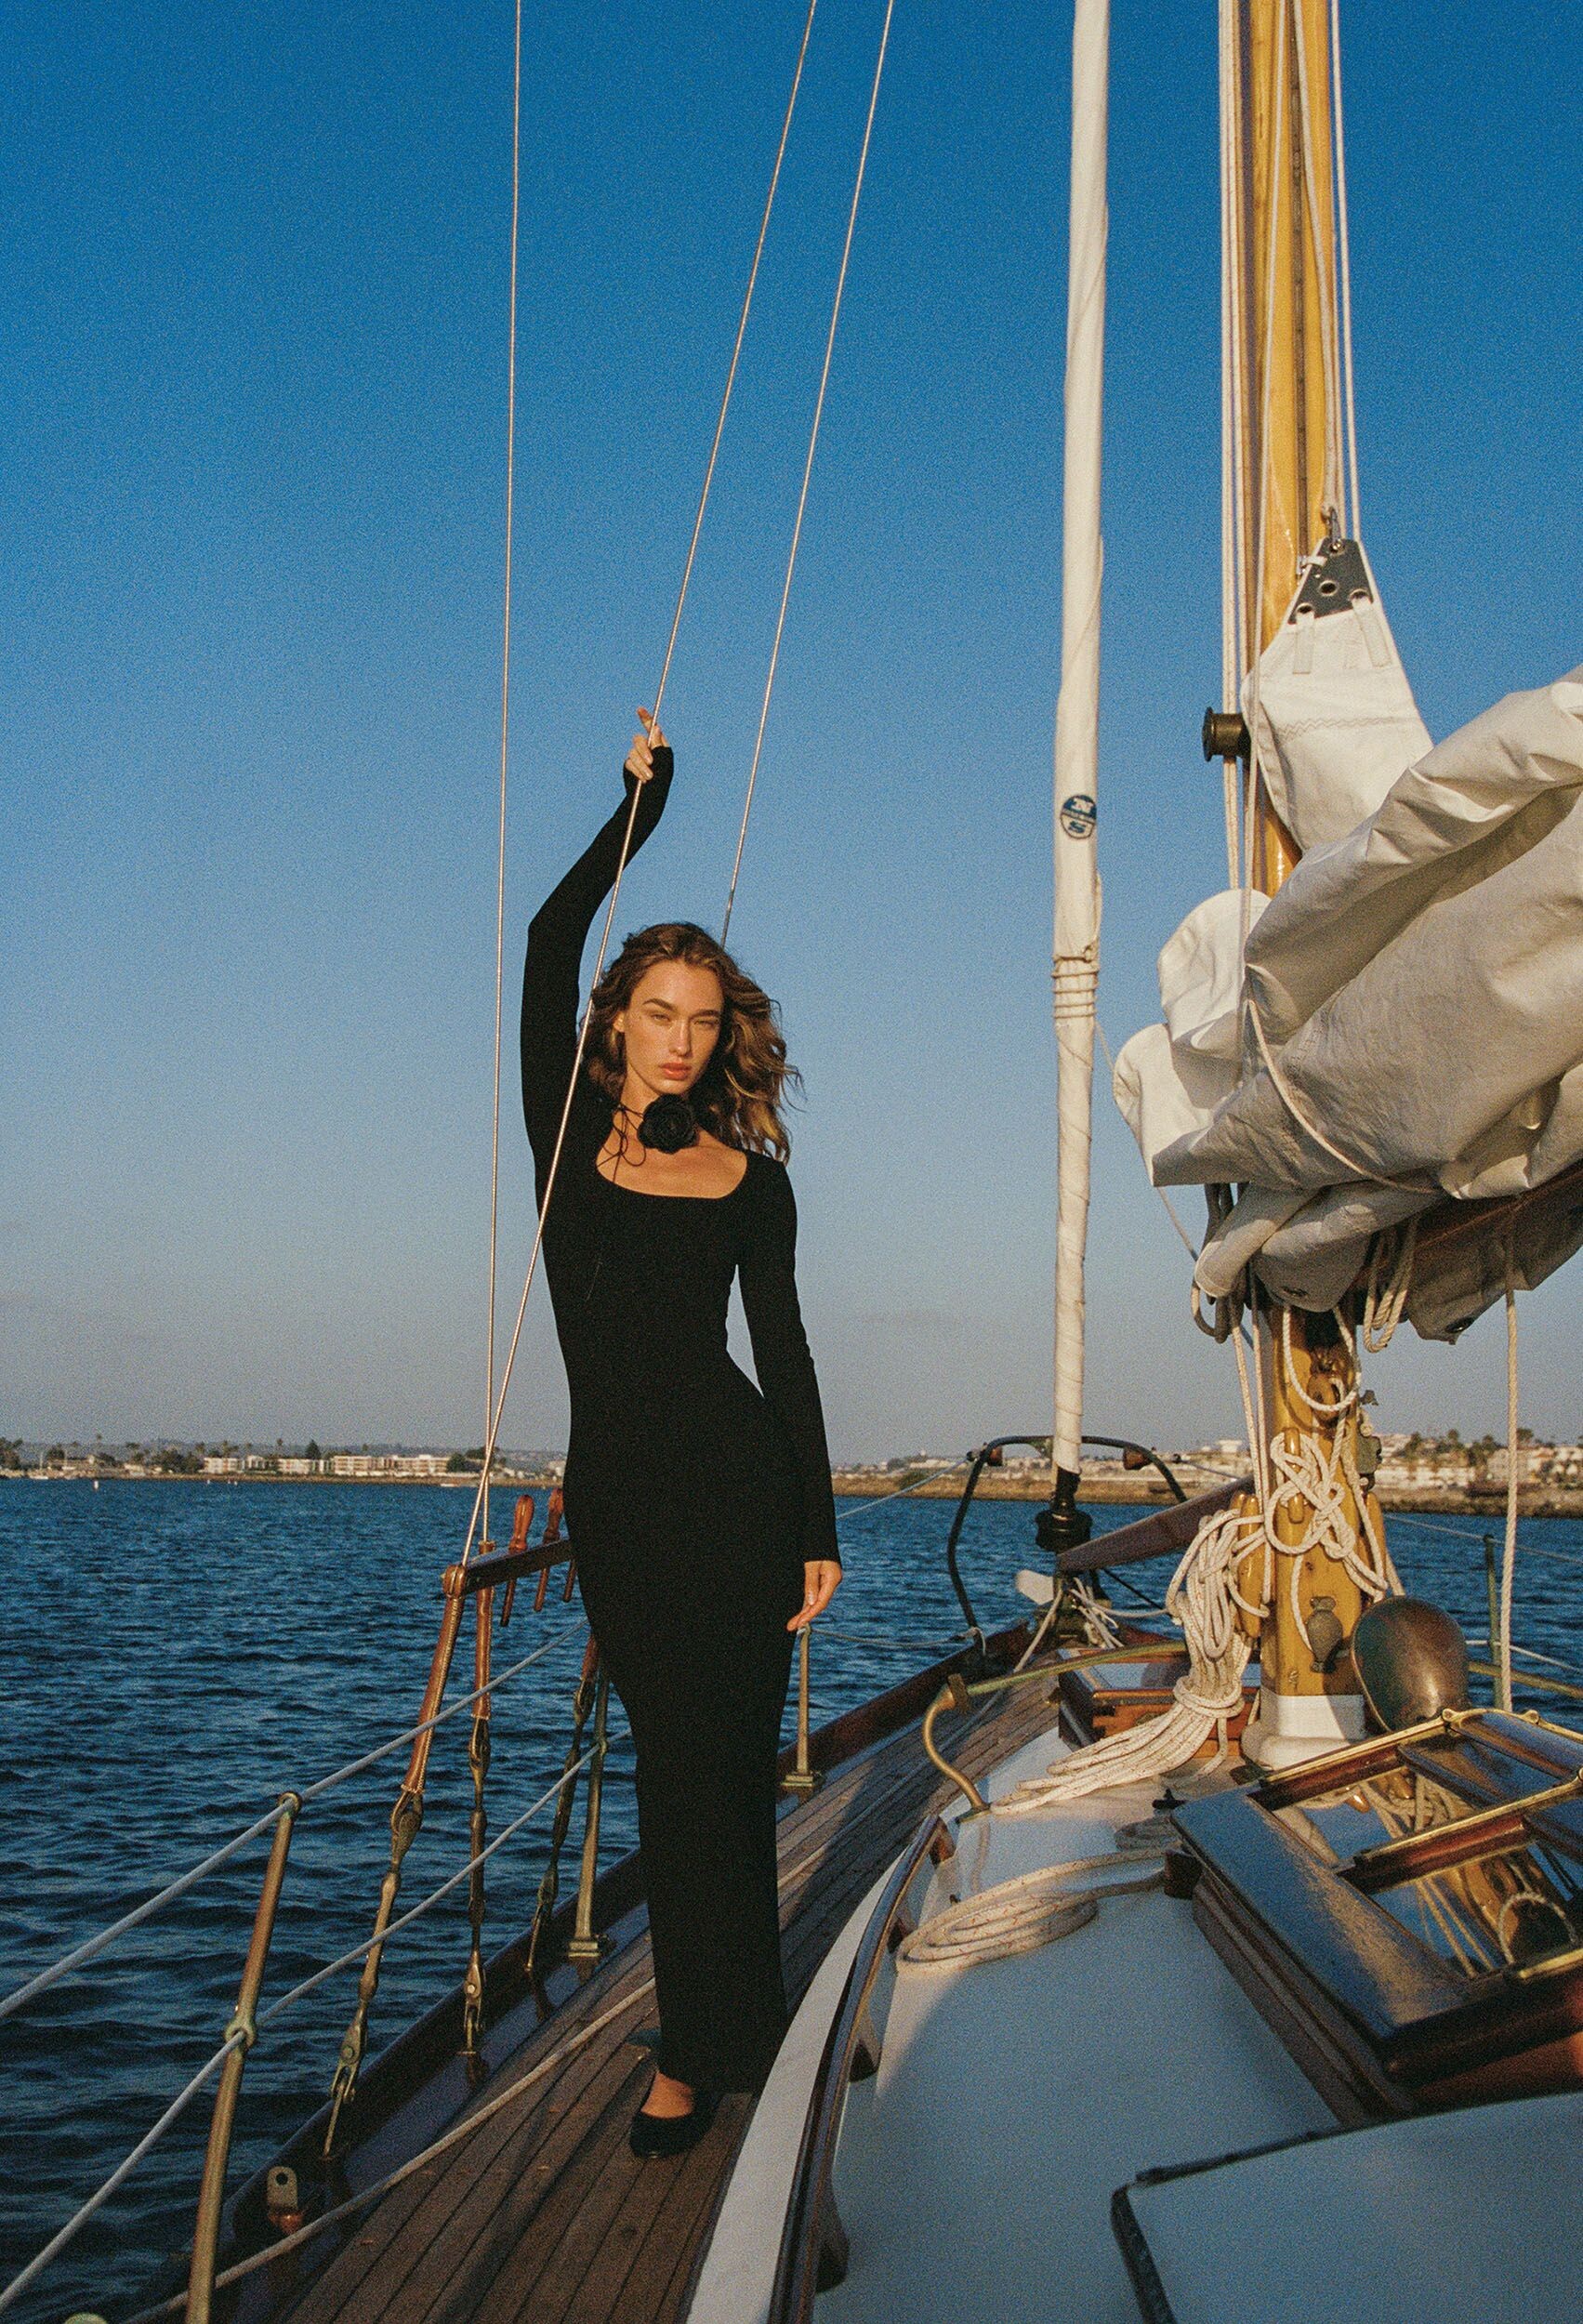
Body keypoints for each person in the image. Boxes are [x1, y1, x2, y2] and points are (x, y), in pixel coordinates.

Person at [520, 708, 842, 2159]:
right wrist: (641, 807)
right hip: (626, 1505)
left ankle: (717, 2047)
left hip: (741, 1497)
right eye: (658, 1013)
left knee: (727, 1783)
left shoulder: (750, 1178)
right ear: (617, 1021)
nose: (681, 1040)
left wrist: (818, 1525)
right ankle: (713, 2042)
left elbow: (784, 1354)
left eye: (703, 1021)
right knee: (672, 1778)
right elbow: (548, 938)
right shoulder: (564, 1139)